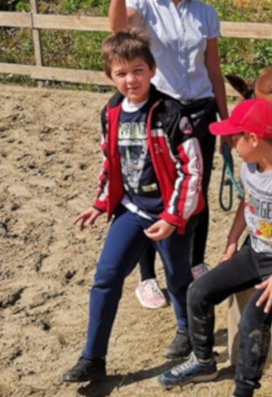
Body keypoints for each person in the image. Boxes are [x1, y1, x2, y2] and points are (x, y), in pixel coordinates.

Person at [60, 31, 204, 383]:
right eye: (121, 73)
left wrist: (173, 217)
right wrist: (101, 202)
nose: (130, 80)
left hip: (170, 214)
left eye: (137, 70)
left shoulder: (171, 113)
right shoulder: (111, 111)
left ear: (152, 69)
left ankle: (186, 332)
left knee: (178, 276)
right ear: (110, 76)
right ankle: (93, 357)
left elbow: (192, 170)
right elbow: (112, 162)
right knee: (105, 279)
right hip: (131, 210)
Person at [157, 98, 272, 397]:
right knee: (199, 292)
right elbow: (245, 202)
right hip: (255, 251)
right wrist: (233, 240)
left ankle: (244, 391)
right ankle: (204, 361)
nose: (230, 141)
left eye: (235, 136)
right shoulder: (251, 165)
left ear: (254, 138)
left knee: (252, 319)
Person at [109, 0, 229, 310]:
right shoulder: (142, 5)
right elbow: (116, 29)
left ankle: (194, 261)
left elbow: (213, 66)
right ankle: (147, 277)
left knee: (198, 192)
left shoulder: (205, 12)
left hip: (201, 108)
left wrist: (226, 121)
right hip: (161, 112)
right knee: (151, 192)